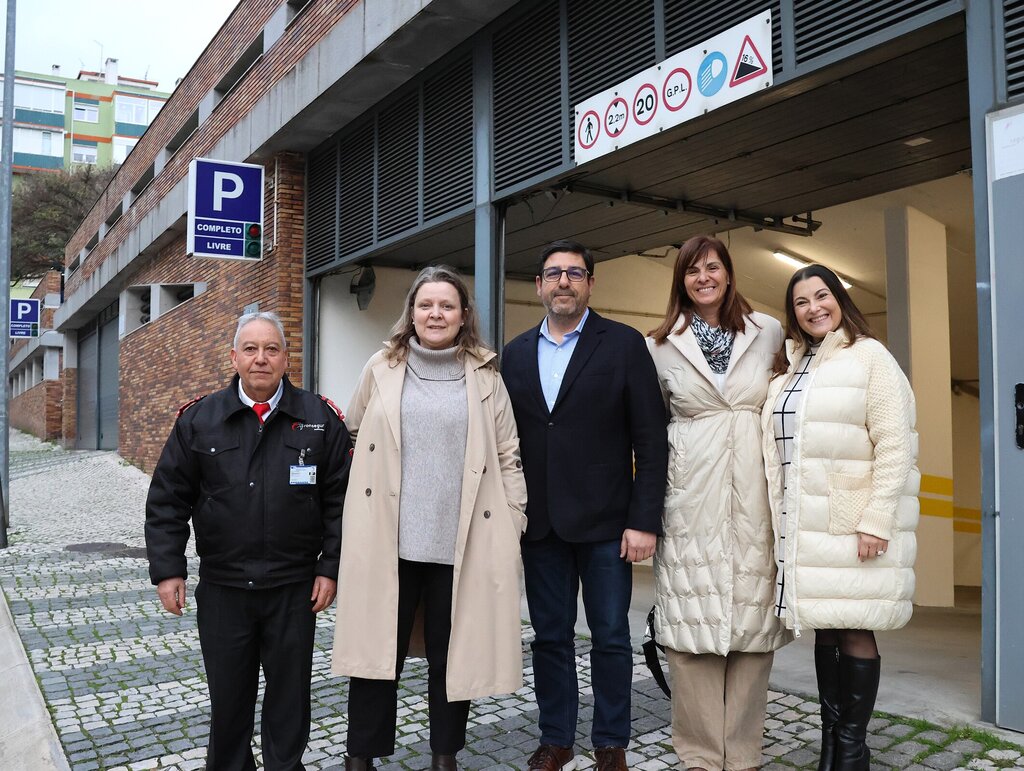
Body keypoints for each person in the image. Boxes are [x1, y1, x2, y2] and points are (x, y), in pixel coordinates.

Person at [331, 265, 528, 771]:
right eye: (426, 305)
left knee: (452, 657)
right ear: (412, 313)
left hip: (462, 543)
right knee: (377, 658)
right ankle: (360, 757)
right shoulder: (380, 366)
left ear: (463, 316)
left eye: (446, 305)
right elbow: (352, 433)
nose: (435, 314)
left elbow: (508, 455)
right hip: (387, 541)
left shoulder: (486, 375)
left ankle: (445, 757)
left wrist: (511, 523)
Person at [145, 311, 352, 771]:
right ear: (234, 357)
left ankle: (284, 766)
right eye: (251, 349)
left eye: (271, 349)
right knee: (229, 697)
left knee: (289, 697)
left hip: (294, 587)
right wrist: (169, 570)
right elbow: (167, 500)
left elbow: (341, 502)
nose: (261, 358)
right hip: (224, 587)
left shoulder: (320, 419)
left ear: (286, 358)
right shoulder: (199, 419)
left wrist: (329, 567)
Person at [502, 240, 669, 771]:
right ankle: (556, 739)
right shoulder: (515, 353)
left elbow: (651, 439)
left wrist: (644, 521)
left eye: (575, 273)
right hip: (541, 526)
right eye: (554, 273)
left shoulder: (622, 345)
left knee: (611, 637)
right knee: (550, 638)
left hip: (608, 526)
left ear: (591, 284)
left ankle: (611, 743)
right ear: (539, 286)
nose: (564, 282)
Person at [761, 264, 919, 771]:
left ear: (839, 299)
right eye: (801, 302)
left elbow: (895, 445)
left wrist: (877, 519)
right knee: (826, 628)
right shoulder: (792, 364)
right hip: (805, 524)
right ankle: (833, 747)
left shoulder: (870, 356)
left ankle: (851, 750)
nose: (813, 308)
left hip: (852, 523)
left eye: (821, 295)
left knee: (854, 628)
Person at [645, 235, 791, 771]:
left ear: (729, 273)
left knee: (753, 629)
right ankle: (702, 757)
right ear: (681, 281)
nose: (703, 278)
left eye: (712, 267)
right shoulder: (658, 345)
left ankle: (744, 754)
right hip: (690, 497)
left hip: (756, 495)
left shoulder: (768, 330)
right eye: (692, 271)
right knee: (690, 628)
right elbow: (649, 429)